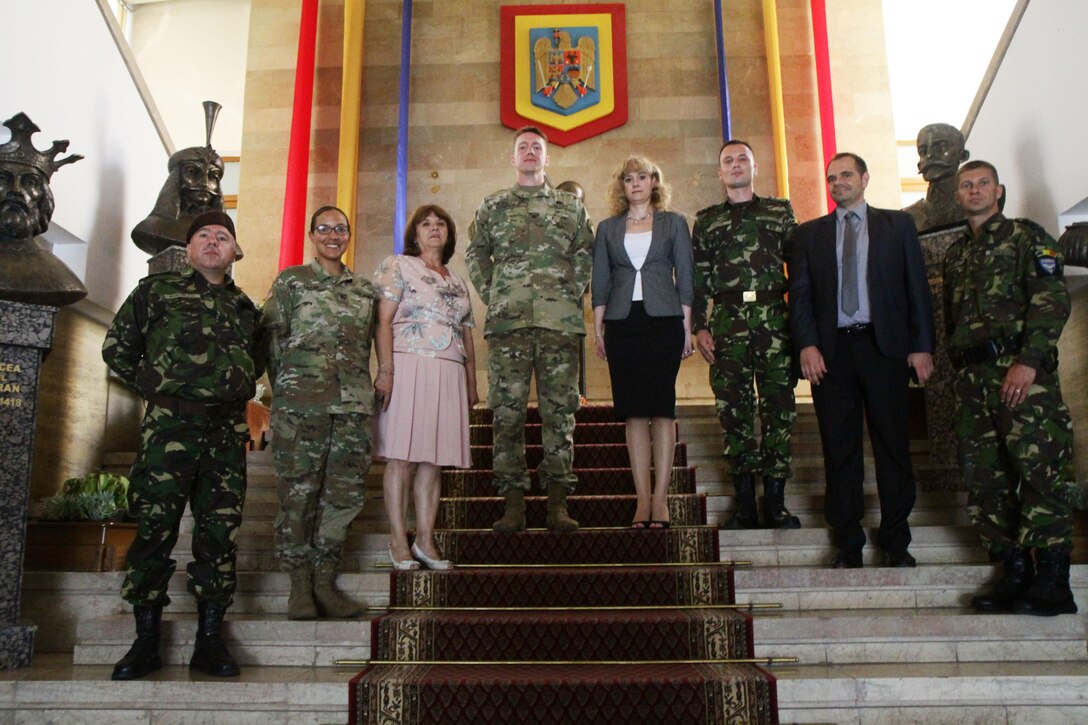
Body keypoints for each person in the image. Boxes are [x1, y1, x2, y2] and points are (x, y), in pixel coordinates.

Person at [102, 210, 263, 680]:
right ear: (189, 249)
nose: (213, 242)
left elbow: (255, 363)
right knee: (154, 532)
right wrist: (154, 385)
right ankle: (145, 640)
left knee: (220, 538)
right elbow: (117, 347)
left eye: (223, 237)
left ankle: (209, 641)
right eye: (203, 236)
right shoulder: (157, 292)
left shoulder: (245, 308)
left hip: (226, 437)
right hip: (169, 431)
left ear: (235, 252)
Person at [944, 160, 1078, 616]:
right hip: (972, 380)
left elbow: (1051, 303)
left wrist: (1028, 362)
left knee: (1041, 470)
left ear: (998, 191)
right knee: (986, 479)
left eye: (982, 183)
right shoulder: (957, 253)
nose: (974, 191)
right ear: (957, 195)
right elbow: (952, 321)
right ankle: (1013, 572)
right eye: (966, 185)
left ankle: (1054, 581)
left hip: (1020, 374)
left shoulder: (1027, 237)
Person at [789, 152, 935, 569]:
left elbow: (916, 289)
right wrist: (807, 345)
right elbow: (799, 298)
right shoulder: (809, 236)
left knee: (893, 446)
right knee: (839, 450)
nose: (838, 183)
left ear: (865, 178)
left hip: (884, 348)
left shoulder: (898, 226)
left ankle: (895, 541)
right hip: (831, 354)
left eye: (846, 175)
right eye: (832, 178)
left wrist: (921, 345)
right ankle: (847, 543)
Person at [466, 126, 595, 533]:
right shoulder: (493, 206)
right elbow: (476, 252)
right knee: (506, 414)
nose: (529, 153)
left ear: (546, 158)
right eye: (522, 147)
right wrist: (496, 293)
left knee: (560, 415)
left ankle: (557, 503)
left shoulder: (569, 207)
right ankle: (513, 503)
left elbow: (585, 254)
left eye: (536, 148)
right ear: (512, 158)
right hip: (508, 326)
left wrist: (568, 294)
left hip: (559, 325)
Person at [262, 206, 377, 620]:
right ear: (312, 235)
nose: (333, 234)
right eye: (324, 228)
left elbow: (369, 345)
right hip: (301, 407)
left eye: (340, 228)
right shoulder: (291, 282)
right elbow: (273, 341)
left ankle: (326, 581)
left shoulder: (364, 289)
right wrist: (289, 390)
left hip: (351, 409)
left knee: (343, 496)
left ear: (348, 235)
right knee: (298, 494)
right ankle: (299, 585)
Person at [691, 139, 800, 530]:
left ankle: (775, 502)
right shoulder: (706, 221)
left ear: (755, 168)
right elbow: (697, 279)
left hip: (773, 318)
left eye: (742, 159)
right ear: (720, 173)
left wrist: (804, 329)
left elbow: (800, 269)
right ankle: (743, 505)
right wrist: (699, 327)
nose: (736, 165)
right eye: (728, 161)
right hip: (728, 323)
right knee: (733, 412)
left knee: (778, 410)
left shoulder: (779, 211)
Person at [591, 155, 693, 528]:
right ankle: (641, 500)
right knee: (633, 411)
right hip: (622, 322)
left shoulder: (674, 223)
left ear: (654, 182)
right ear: (621, 185)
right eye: (628, 178)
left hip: (664, 321)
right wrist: (598, 330)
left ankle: (661, 499)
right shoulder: (607, 228)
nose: (635, 183)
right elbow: (600, 281)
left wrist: (687, 327)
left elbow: (686, 276)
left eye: (643, 177)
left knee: (662, 410)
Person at [374, 204, 478, 569]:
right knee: (401, 456)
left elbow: (466, 334)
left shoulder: (457, 279)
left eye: (440, 224)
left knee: (433, 459)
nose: (433, 228)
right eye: (425, 223)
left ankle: (425, 540)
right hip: (408, 364)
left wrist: (471, 384)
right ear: (414, 233)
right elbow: (382, 321)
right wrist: (385, 370)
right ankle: (397, 539)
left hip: (449, 369)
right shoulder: (398, 265)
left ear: (448, 234)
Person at [902, 123, 971, 233]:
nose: (929, 156)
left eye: (940, 147)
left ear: (962, 155)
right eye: (923, 152)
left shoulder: (978, 208)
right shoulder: (907, 218)